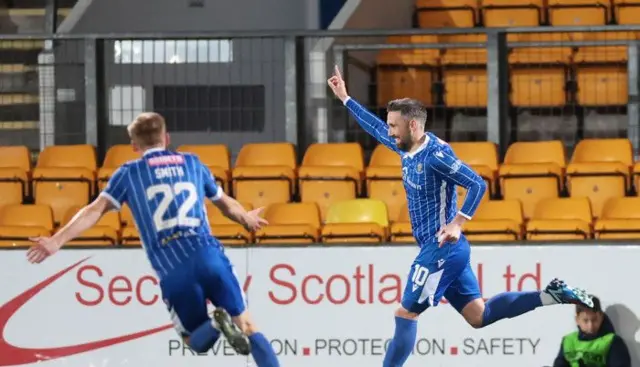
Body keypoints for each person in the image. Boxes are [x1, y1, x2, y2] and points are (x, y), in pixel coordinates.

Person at [327, 65, 595, 367]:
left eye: (394, 126)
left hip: (442, 248)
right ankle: (551, 295)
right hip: (444, 249)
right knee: (478, 316)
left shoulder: (436, 157)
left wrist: (458, 222)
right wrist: (345, 98)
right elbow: (375, 128)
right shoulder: (407, 147)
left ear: (413, 125)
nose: (389, 131)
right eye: (390, 125)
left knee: (404, 313)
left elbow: (478, 183)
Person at [26, 112, 280, 367]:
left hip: (172, 263)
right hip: (208, 253)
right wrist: (246, 218)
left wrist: (56, 240)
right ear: (166, 138)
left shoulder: (128, 174)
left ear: (134, 145)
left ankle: (215, 322)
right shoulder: (193, 164)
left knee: (194, 340)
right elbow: (226, 205)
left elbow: (93, 211)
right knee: (247, 324)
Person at [554, 295, 631, 367]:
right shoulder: (568, 341)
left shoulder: (612, 341)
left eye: (594, 320)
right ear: (577, 320)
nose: (590, 326)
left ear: (601, 317)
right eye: (585, 320)